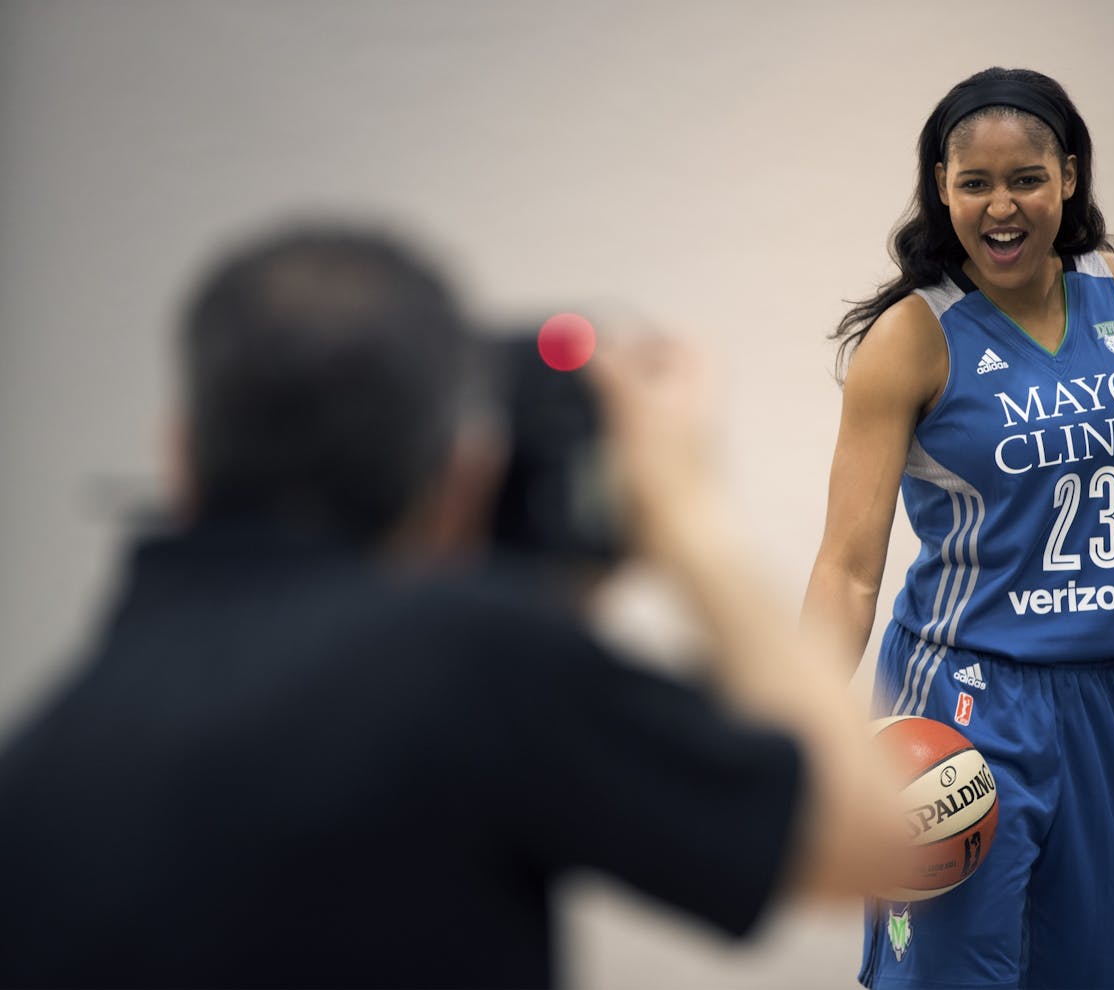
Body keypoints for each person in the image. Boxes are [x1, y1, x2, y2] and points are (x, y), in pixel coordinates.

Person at [0, 225, 907, 988]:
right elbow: (864, 834)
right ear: (461, 477)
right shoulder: (469, 663)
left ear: (179, 456)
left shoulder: (43, 756)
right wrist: (682, 512)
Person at [802, 67, 1114, 989]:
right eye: (974, 184)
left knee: (1107, 974)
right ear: (940, 191)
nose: (1003, 206)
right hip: (964, 709)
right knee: (950, 977)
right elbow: (846, 571)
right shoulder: (913, 340)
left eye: (1027, 178)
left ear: (1069, 177)